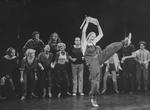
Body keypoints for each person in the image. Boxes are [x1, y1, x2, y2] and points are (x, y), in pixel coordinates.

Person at [81, 16, 127, 107]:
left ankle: (123, 42)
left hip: (98, 58)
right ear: (88, 36)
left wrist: (98, 25)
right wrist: (87, 22)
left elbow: (101, 35)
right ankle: (93, 97)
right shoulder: (84, 43)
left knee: (109, 48)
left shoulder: (94, 43)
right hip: (92, 62)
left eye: (94, 36)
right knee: (95, 81)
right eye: (92, 36)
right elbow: (83, 32)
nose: (94, 37)